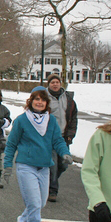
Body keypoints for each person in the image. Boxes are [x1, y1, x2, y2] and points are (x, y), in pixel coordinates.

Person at [3, 86, 73, 222]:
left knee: (40, 203)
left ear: (46, 103)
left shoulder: (51, 121)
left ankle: (22, 221)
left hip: (44, 167)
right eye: (36, 99)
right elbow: (11, 144)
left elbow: (57, 140)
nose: (39, 102)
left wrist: (65, 153)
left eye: (42, 99)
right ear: (31, 101)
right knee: (34, 204)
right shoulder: (22, 120)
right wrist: (7, 166)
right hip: (26, 166)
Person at [45, 74, 78, 202]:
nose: (55, 84)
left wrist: (71, 134)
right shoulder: (45, 98)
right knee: (53, 164)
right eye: (52, 82)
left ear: (60, 83)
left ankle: (49, 180)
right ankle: (52, 190)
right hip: (50, 137)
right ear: (49, 84)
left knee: (63, 164)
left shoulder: (69, 99)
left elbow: (73, 117)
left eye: (57, 82)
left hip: (64, 137)